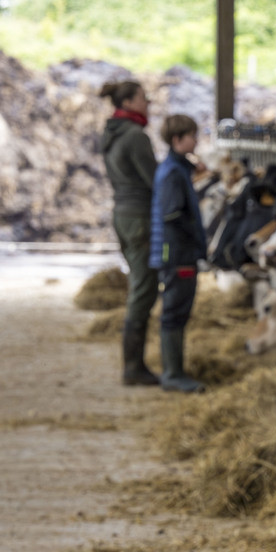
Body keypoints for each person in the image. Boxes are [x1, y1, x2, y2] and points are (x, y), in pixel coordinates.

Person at [97, 80, 161, 386]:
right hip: (140, 216)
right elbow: (155, 180)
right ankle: (133, 367)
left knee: (139, 282)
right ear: (129, 103)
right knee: (143, 288)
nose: (148, 103)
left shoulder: (112, 133)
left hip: (122, 213)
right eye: (143, 99)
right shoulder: (135, 136)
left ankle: (134, 364)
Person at [149, 114, 207, 393]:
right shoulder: (173, 172)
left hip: (176, 251)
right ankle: (173, 373)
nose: (196, 140)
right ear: (177, 140)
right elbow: (173, 214)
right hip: (177, 253)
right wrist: (196, 239)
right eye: (191, 136)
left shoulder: (176, 168)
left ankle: (175, 370)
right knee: (174, 311)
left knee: (176, 311)